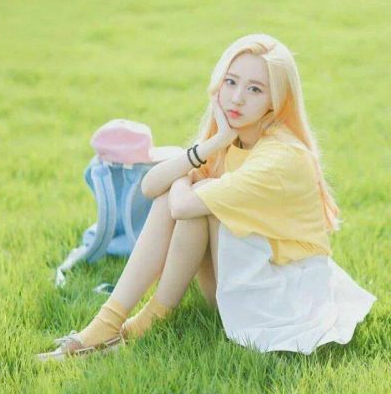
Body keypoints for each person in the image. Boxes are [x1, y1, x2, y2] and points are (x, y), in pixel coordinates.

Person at [37, 33, 376, 361]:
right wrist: (209, 146)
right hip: (241, 279)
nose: (237, 98)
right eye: (231, 82)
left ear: (275, 101)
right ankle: (112, 324)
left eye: (255, 89)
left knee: (193, 200)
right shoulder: (232, 139)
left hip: (279, 297)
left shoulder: (280, 158)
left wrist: (186, 173)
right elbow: (150, 187)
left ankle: (136, 323)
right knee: (185, 195)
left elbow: (181, 204)